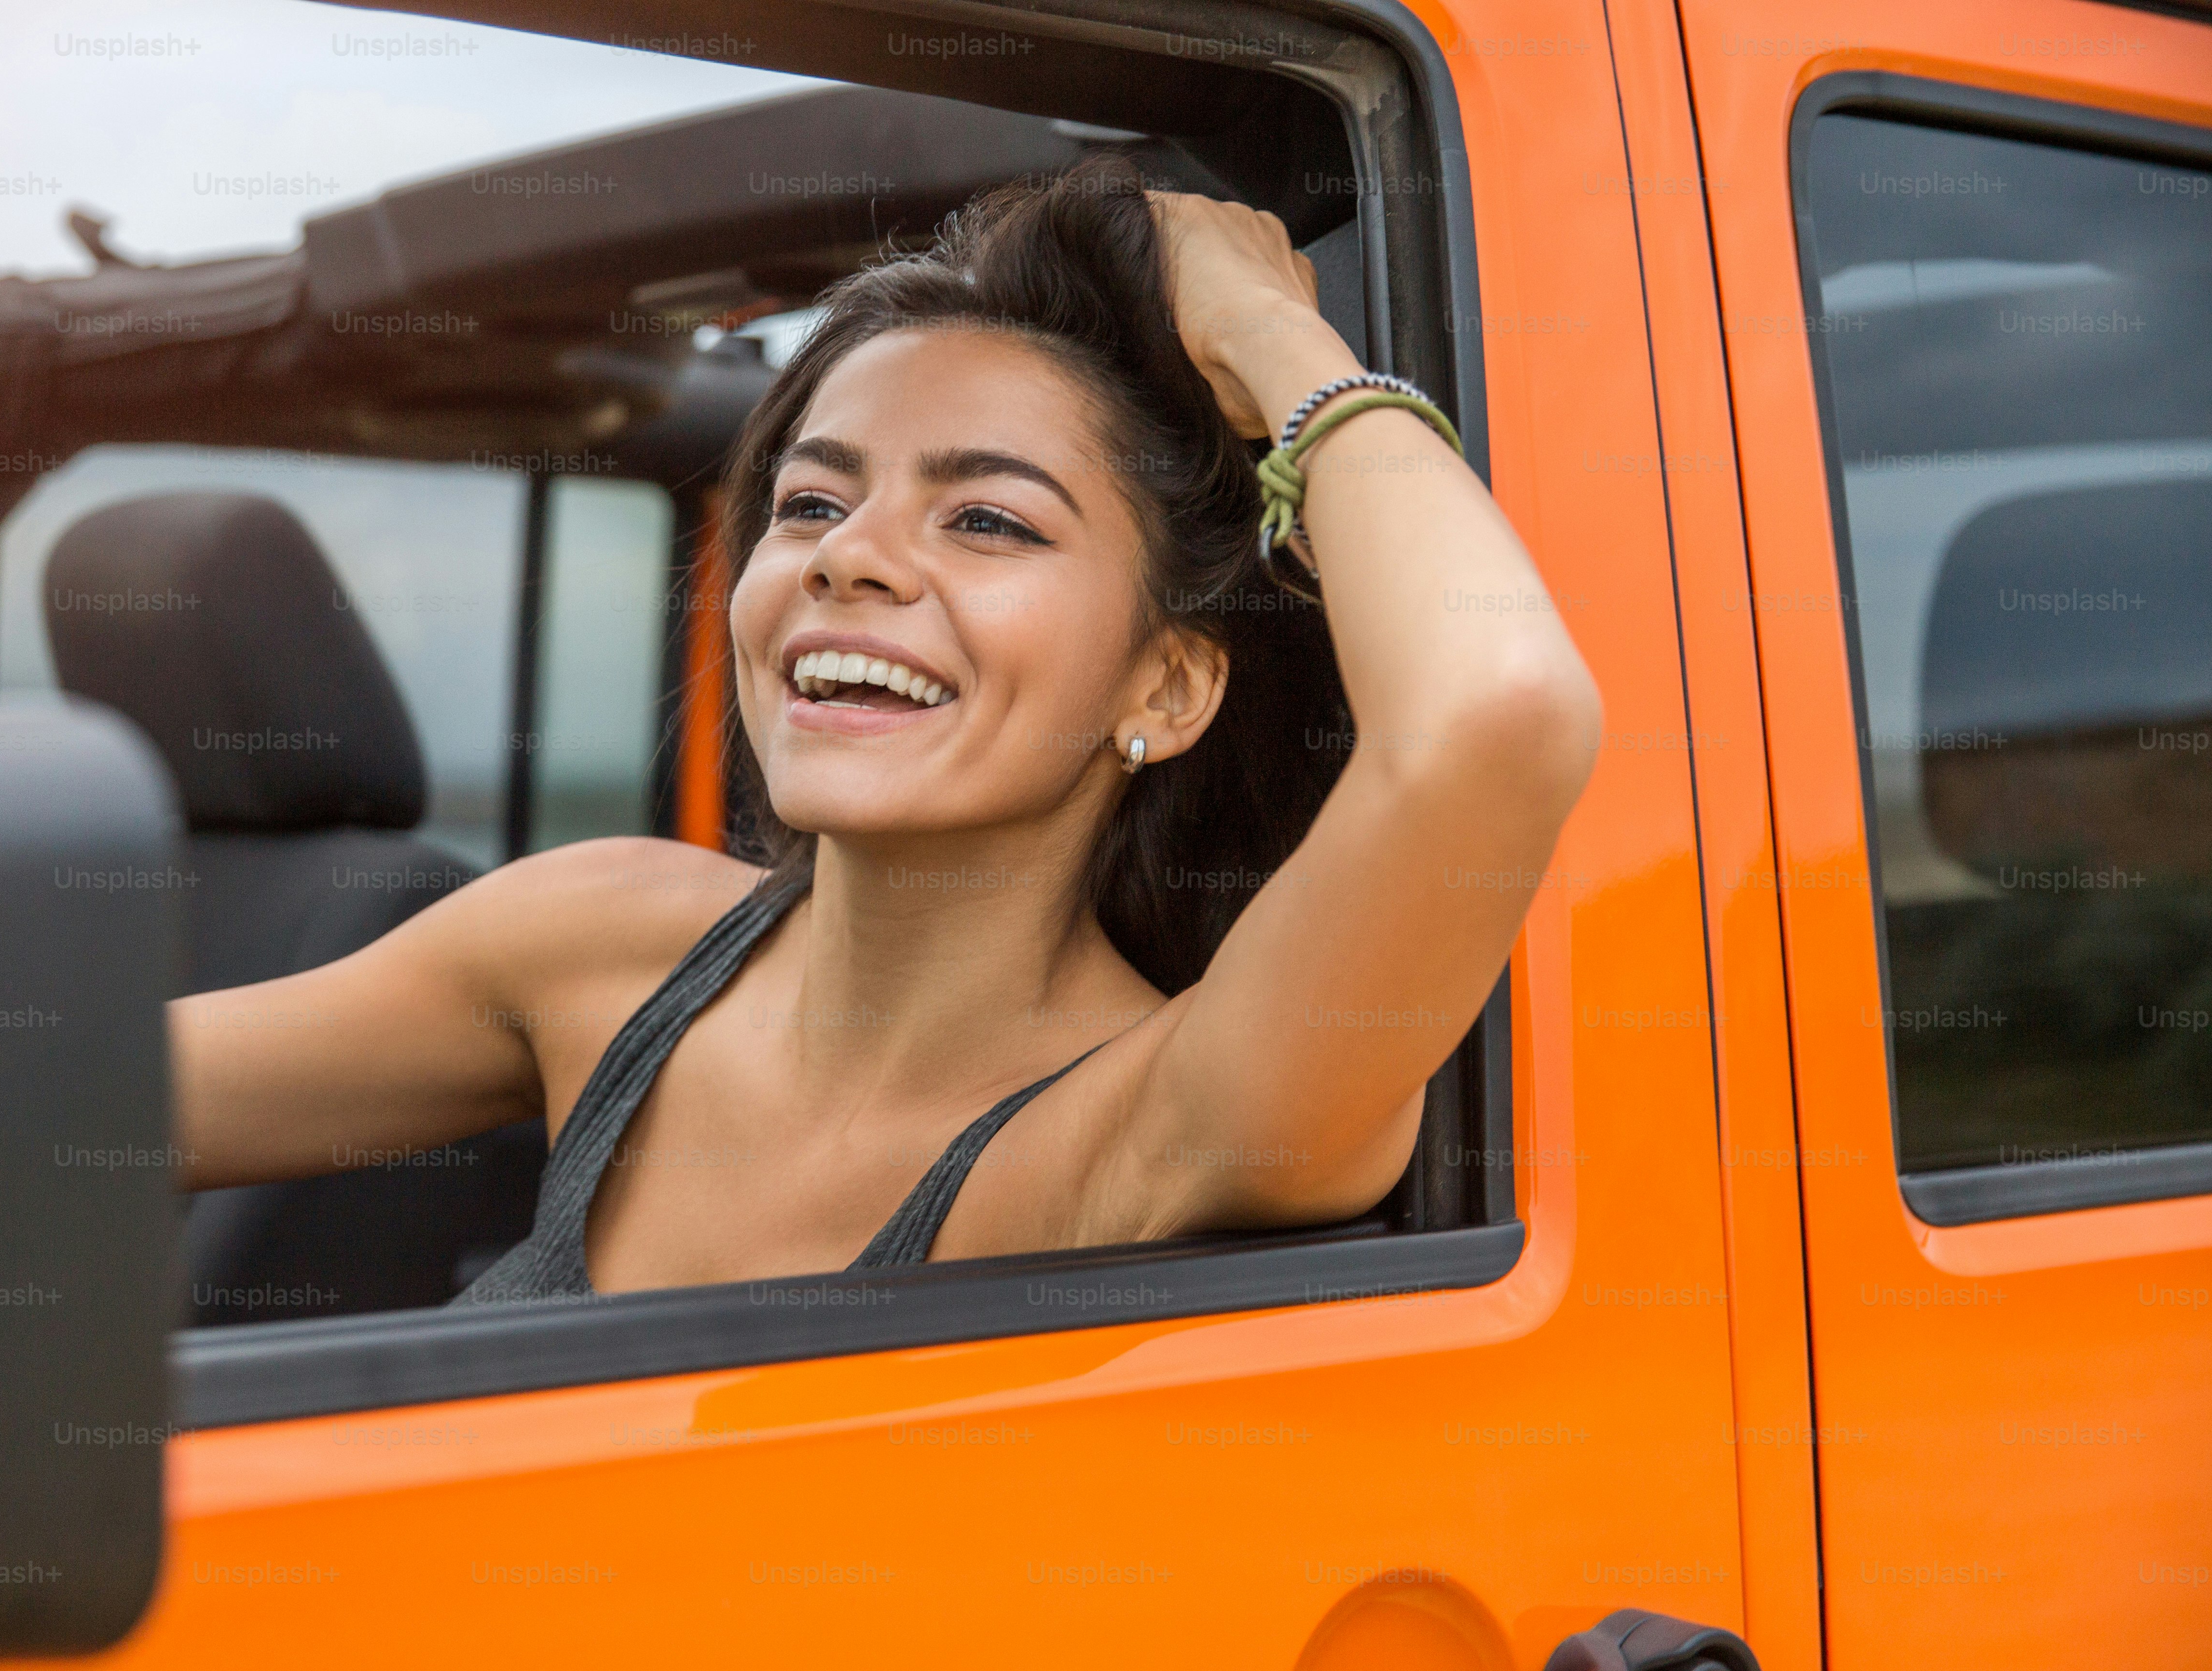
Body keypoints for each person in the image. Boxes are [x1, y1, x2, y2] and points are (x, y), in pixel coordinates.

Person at [169, 159, 1599, 1302]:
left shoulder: (1158, 1124)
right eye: (811, 503)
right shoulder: (602, 940)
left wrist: (1264, 329)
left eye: (986, 518)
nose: (848, 558)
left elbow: (1500, 712)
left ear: (1164, 688)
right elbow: (63, 1106)